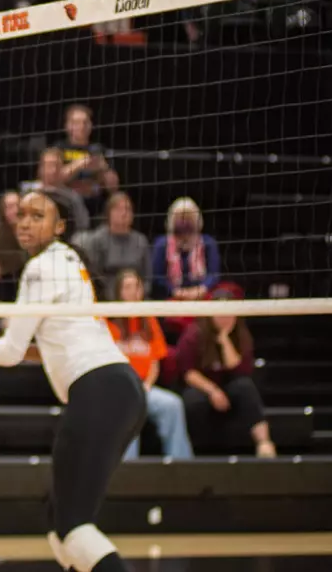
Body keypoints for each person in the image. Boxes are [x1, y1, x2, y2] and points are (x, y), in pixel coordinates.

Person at [0, 189, 145, 572]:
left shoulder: (41, 267)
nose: (25, 222)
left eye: (37, 216)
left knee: (73, 527)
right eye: (21, 214)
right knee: (60, 526)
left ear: (59, 226)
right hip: (118, 390)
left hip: (99, 392)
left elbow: (9, 353)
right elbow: (45, 345)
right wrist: (3, 345)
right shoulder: (67, 260)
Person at [174, 289, 275, 457]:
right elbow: (188, 372)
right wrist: (213, 391)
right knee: (192, 400)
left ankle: (264, 443)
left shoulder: (241, 335)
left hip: (230, 385)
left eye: (229, 313)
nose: (225, 317)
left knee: (246, 387)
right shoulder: (194, 334)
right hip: (203, 387)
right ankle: (199, 451)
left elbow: (240, 370)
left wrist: (224, 339)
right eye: (220, 313)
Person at [106, 269, 193, 460]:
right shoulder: (108, 320)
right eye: (127, 287)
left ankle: (181, 463)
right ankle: (127, 469)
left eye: (137, 287)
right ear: (118, 291)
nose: (133, 292)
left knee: (173, 404)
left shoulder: (148, 319)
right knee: (129, 406)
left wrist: (146, 386)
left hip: (144, 387)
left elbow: (154, 362)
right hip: (118, 390)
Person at [74, 191, 151, 298]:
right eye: (118, 209)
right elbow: (95, 278)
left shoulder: (141, 240)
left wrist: (139, 294)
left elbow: (148, 277)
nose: (124, 213)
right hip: (107, 299)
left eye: (128, 209)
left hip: (137, 298)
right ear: (108, 213)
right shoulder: (98, 240)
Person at [150, 197, 220, 301]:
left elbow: (214, 274)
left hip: (203, 295)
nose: (184, 221)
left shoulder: (208, 242)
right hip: (170, 297)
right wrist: (174, 291)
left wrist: (201, 290)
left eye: (188, 217)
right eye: (180, 217)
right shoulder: (162, 244)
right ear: (172, 219)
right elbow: (157, 276)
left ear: (197, 219)